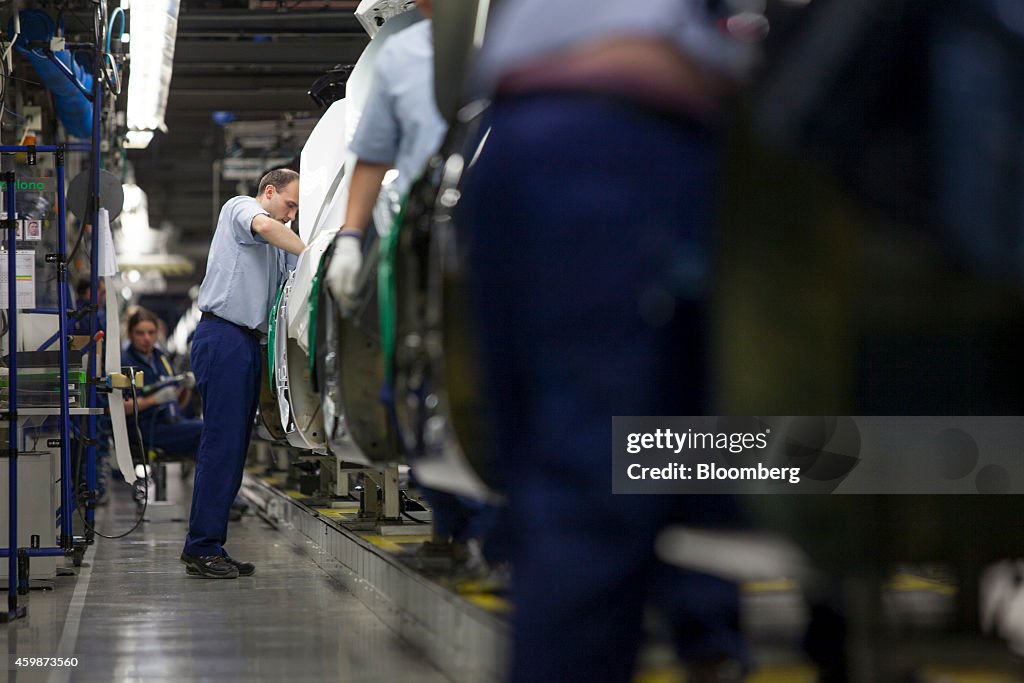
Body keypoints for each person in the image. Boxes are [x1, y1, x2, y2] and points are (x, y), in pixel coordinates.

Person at [457, 2, 765, 681]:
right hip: (622, 135)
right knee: (611, 477)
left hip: (515, 129)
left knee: (571, 482)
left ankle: (706, 630)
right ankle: (708, 631)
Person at [326, 0, 495, 572]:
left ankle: (496, 538)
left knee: (492, 384)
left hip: (498, 220)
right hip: (421, 238)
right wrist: (350, 237)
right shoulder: (400, 51)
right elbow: (372, 158)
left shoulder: (517, 33)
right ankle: (456, 531)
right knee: (411, 388)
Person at [182, 168, 304, 579]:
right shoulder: (242, 208)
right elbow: (267, 226)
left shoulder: (277, 243)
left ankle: (211, 543)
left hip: (250, 344)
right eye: (289, 204)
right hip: (223, 336)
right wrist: (316, 250)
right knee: (222, 445)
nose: (290, 216)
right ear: (269, 192)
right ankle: (201, 547)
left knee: (234, 449)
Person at [121, 307, 202, 457]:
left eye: (151, 333)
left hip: (171, 421)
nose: (146, 338)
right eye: (140, 333)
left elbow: (178, 402)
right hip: (145, 428)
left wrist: (186, 389)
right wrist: (153, 400)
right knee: (205, 430)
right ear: (130, 334)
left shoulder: (162, 359)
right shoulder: (124, 362)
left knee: (208, 436)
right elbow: (118, 408)